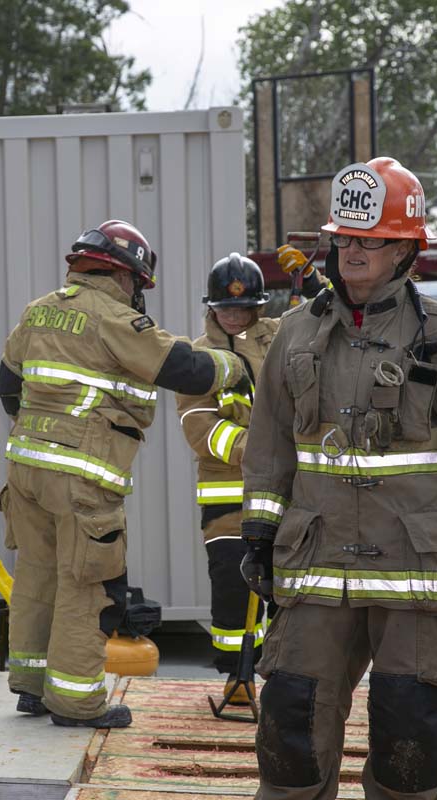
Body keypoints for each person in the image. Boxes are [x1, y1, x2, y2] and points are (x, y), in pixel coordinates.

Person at [241, 158, 437, 800]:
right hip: (315, 568)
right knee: (290, 738)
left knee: (409, 744)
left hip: (420, 574)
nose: (353, 251)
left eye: (371, 239)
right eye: (344, 238)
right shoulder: (295, 335)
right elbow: (271, 447)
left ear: (405, 249)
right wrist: (258, 535)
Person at [0, 220, 248, 728]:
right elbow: (187, 369)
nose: (138, 293)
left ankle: (31, 685)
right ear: (126, 274)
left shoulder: (39, 310)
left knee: (37, 575)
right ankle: (75, 702)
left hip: (25, 473)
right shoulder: (114, 318)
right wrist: (234, 364)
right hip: (81, 480)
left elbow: (8, 384)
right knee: (88, 585)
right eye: (138, 283)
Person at [174, 254, 278, 695]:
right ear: (212, 308)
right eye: (226, 309)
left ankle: (279, 676)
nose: (234, 316)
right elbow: (199, 425)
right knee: (234, 590)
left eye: (243, 308)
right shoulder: (199, 358)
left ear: (257, 307)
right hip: (227, 502)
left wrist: (317, 279)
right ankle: (237, 679)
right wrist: (258, 449)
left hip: (283, 497)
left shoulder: (280, 341)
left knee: (284, 589)